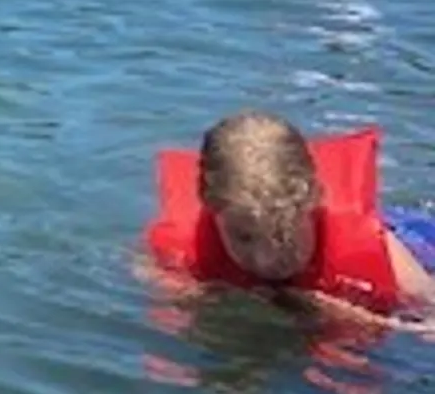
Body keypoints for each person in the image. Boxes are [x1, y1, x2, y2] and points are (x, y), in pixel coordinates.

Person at [146, 111, 435, 318]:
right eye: (244, 238)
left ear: (314, 199)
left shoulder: (386, 255)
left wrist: (370, 319)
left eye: (283, 234)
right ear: (210, 208)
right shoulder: (184, 248)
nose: (265, 260)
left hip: (416, 239)